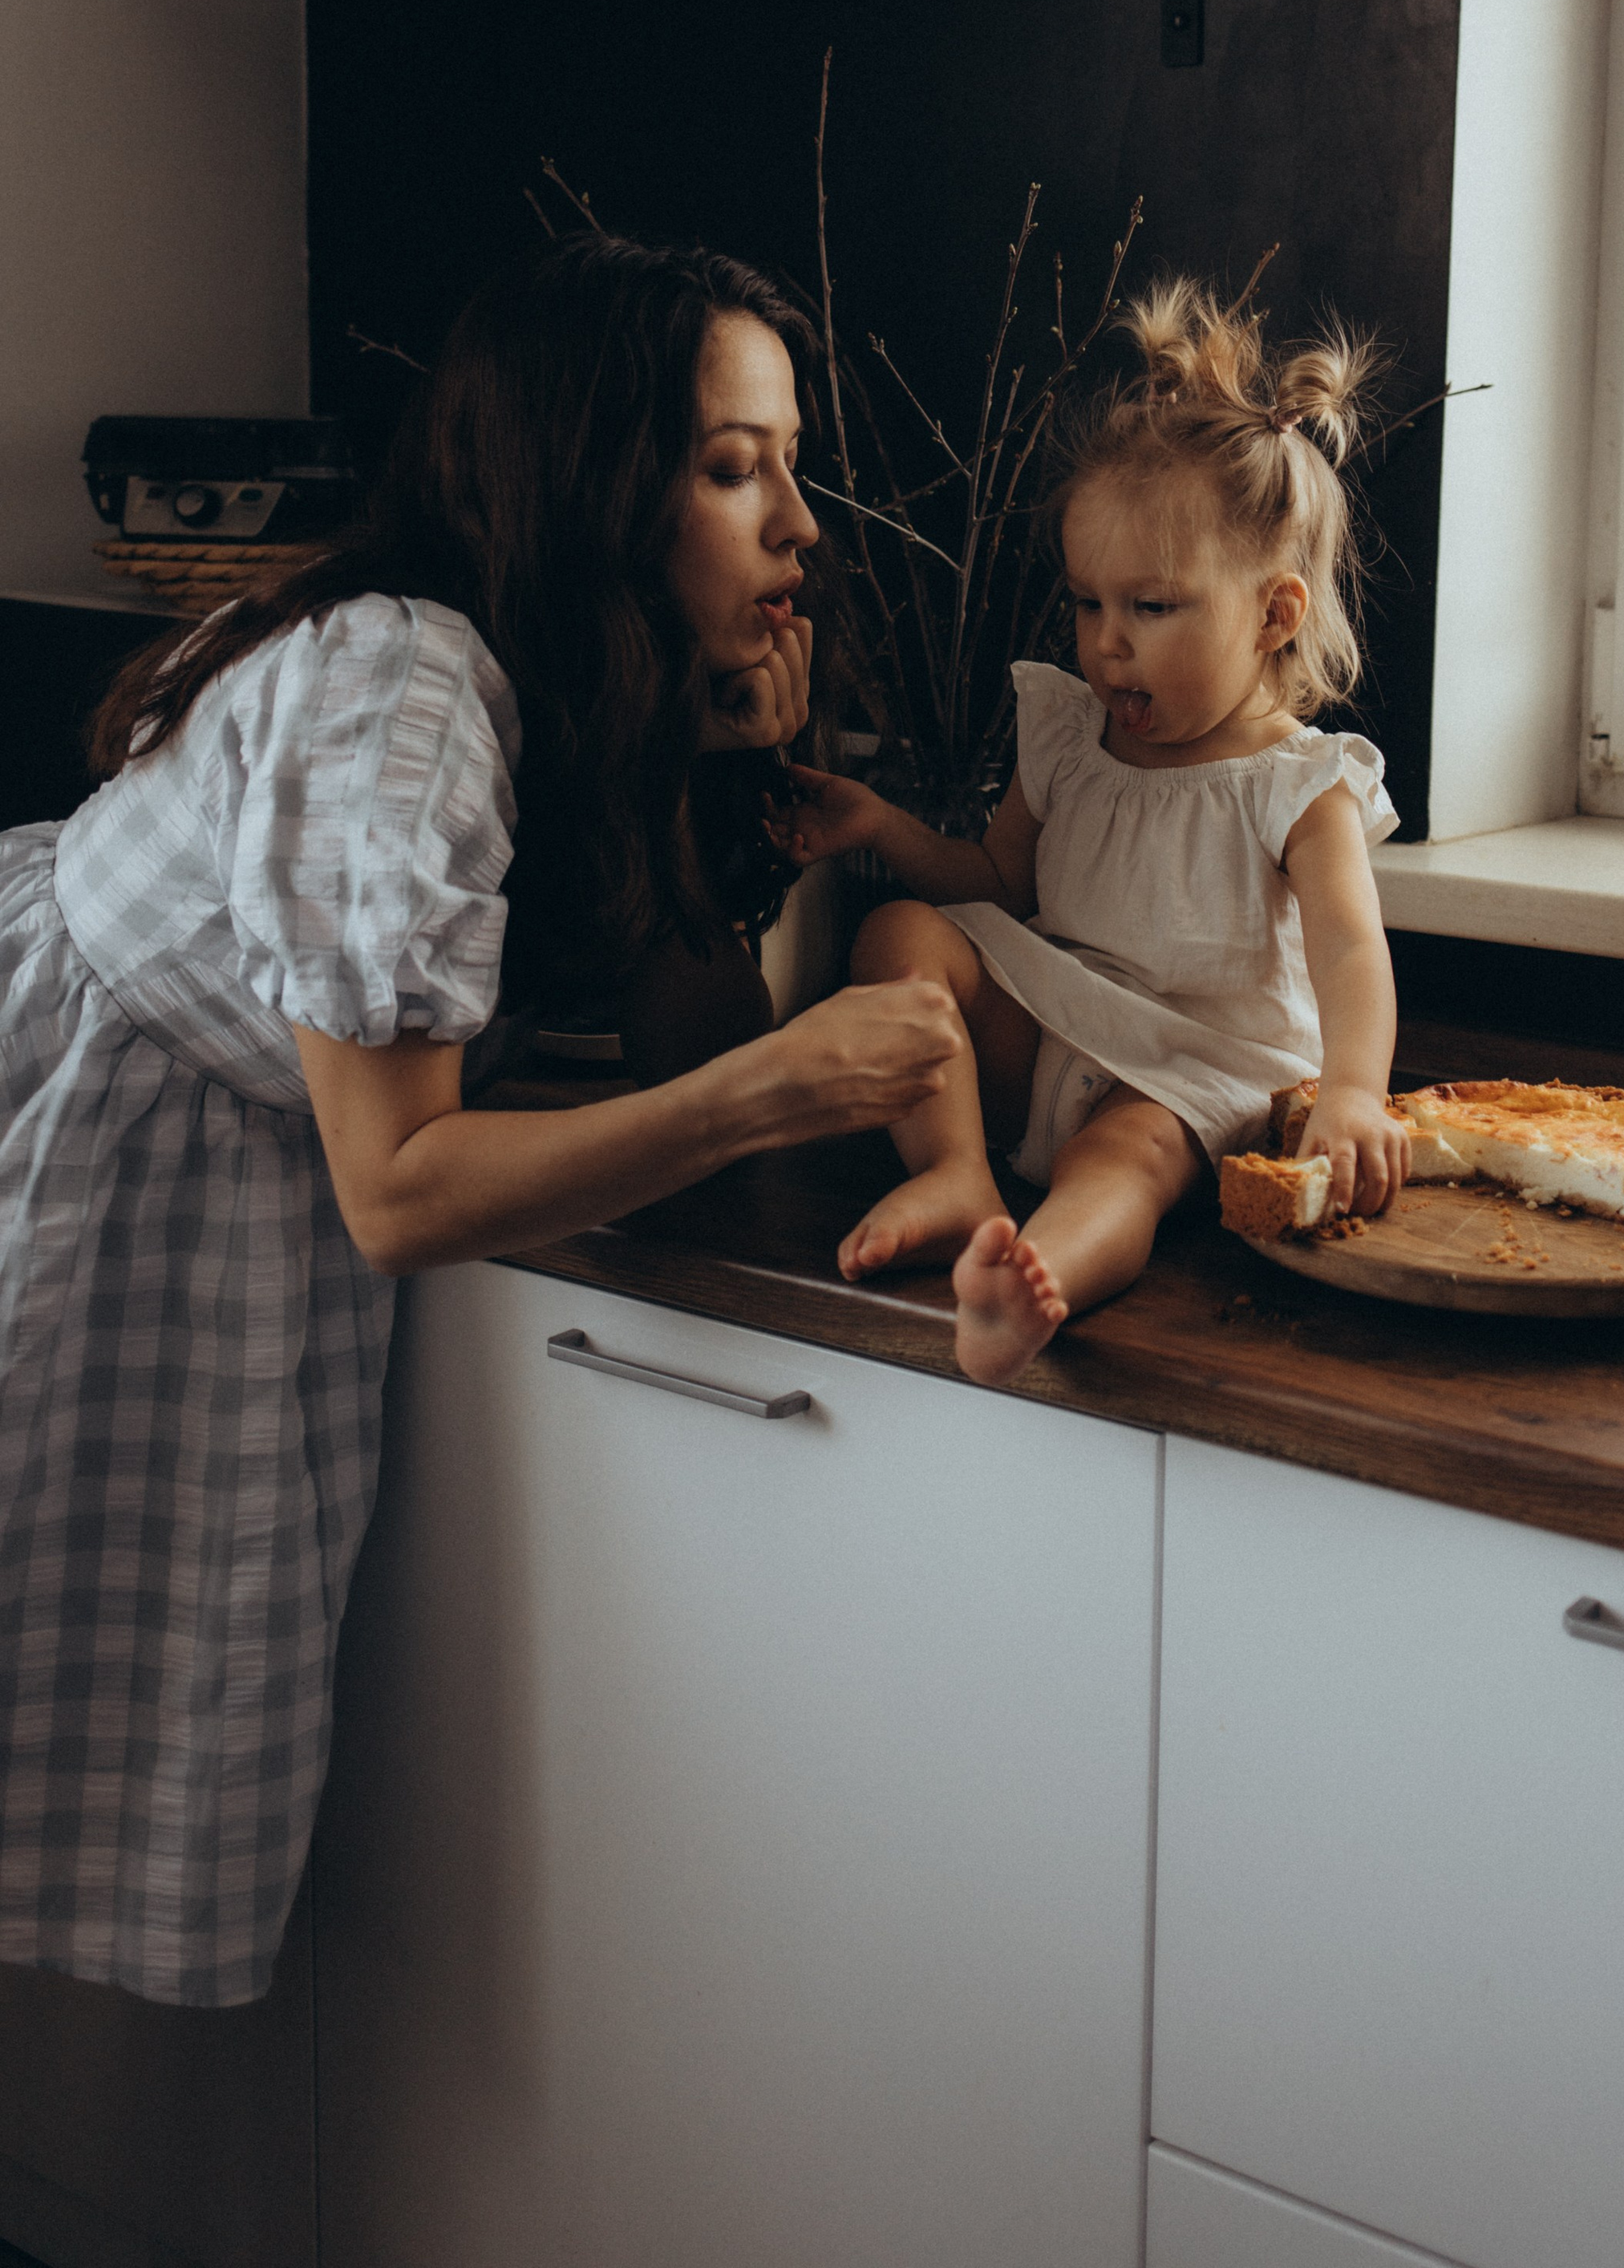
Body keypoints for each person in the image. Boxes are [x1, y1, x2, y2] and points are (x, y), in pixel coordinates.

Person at [0, 234, 959, 2008]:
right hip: (69, 1134)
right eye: (733, 467)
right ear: (592, 480)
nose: (802, 527)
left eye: (790, 467)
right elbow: (401, 1188)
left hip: (176, 1143)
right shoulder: (401, 688)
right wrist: (774, 1088)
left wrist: (720, 760)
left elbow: (690, 1027)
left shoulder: (550, 676)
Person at [768, 276, 1411, 1387]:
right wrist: (883, 826)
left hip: (1194, 1073)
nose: (1108, 645)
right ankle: (958, 1171)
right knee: (905, 934)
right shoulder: (1070, 737)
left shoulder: (1299, 786)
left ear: (1273, 614)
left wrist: (1354, 1090)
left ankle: (1037, 1274)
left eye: (1151, 609)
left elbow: (1353, 952)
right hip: (1057, 1020)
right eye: (1087, 604)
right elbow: (996, 878)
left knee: (1126, 1157)